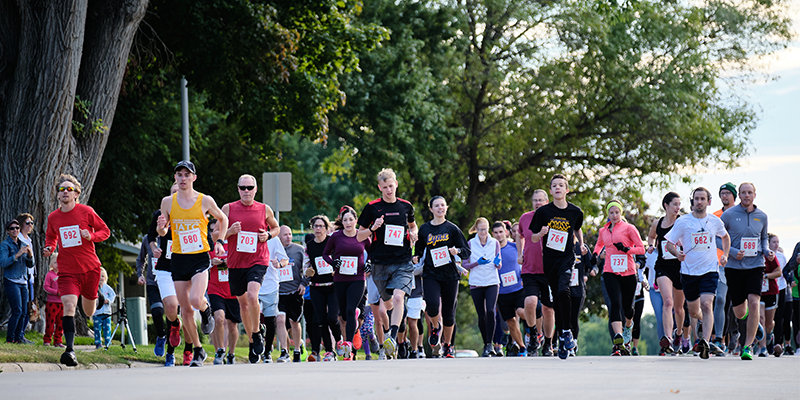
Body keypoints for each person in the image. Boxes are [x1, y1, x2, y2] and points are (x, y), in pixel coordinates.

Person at [156, 161, 228, 367]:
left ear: (194, 178)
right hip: (178, 257)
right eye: (179, 175)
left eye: (187, 175)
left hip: (199, 255)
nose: (183, 178)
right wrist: (162, 228)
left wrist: (220, 242)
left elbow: (223, 219)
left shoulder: (204, 200)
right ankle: (197, 349)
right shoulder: (168, 202)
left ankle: (206, 312)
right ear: (175, 178)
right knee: (185, 309)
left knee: (196, 299)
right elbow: (163, 232)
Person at [43, 174, 110, 366]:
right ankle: (70, 350)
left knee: (89, 311)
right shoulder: (53, 217)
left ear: (76, 194)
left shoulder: (86, 212)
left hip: (90, 269)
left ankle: (94, 294)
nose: (65, 192)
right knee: (69, 306)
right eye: (61, 189)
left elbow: (105, 231)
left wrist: (91, 236)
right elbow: (51, 238)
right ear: (57, 195)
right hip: (67, 271)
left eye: (69, 189)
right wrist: (49, 248)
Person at [356, 168, 418, 358]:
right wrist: (373, 228)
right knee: (389, 305)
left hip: (403, 261)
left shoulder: (406, 206)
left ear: (396, 184)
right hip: (380, 263)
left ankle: (391, 336)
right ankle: (401, 339)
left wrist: (414, 233)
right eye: (385, 188)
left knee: (399, 298)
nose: (389, 190)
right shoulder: (372, 208)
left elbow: (413, 225)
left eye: (391, 186)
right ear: (379, 188)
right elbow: (359, 236)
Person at [666, 187, 731, 359]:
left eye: (703, 199)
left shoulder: (714, 221)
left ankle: (706, 343)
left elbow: (725, 237)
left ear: (709, 202)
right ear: (692, 201)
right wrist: (676, 253)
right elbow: (669, 244)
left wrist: (724, 254)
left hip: (710, 270)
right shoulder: (683, 222)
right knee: (694, 311)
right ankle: (702, 322)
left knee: (707, 303)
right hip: (688, 272)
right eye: (696, 199)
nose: (699, 202)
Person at [222, 174, 279, 363]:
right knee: (244, 305)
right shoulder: (228, 209)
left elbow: (276, 228)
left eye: (250, 187)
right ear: (238, 189)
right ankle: (254, 337)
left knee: (253, 295)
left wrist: (268, 236)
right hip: (236, 262)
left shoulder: (264, 209)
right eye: (243, 187)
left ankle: (256, 334)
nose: (246, 191)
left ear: (256, 189)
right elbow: (216, 234)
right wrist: (230, 232)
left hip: (258, 259)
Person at [529, 174, 587, 359]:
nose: (558, 188)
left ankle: (567, 331)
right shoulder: (543, 212)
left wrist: (582, 244)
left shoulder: (575, 211)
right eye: (554, 186)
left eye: (561, 185)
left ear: (566, 190)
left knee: (564, 291)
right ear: (551, 190)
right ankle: (562, 336)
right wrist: (542, 232)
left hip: (567, 258)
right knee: (556, 300)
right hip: (550, 260)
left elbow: (577, 228)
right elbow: (533, 237)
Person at [413, 196, 470, 359]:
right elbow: (418, 249)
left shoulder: (452, 229)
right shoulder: (424, 229)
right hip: (431, 273)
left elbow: (466, 251)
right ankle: (435, 327)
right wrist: (415, 257)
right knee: (431, 305)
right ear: (431, 209)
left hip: (450, 275)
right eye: (436, 206)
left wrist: (456, 251)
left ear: (446, 208)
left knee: (449, 312)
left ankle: (448, 346)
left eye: (442, 205)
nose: (440, 208)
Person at [719, 182, 771, 360]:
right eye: (743, 193)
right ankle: (754, 321)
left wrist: (766, 251)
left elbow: (763, 239)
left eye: (750, 192)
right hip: (734, 267)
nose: (746, 195)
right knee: (740, 312)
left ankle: (747, 346)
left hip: (756, 265)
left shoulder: (762, 216)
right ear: (739, 195)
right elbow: (718, 240)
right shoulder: (728, 215)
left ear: (755, 195)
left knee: (754, 301)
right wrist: (733, 252)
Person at [593, 200, 645, 356]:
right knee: (615, 303)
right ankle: (618, 337)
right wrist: (595, 255)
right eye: (611, 213)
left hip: (628, 272)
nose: (614, 215)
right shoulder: (604, 230)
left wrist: (627, 249)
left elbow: (641, 248)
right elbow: (598, 244)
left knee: (628, 309)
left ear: (621, 213)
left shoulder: (629, 228)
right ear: (608, 214)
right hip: (610, 271)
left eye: (617, 212)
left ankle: (628, 326)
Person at [323, 206, 371, 361]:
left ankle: (348, 345)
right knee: (343, 315)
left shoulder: (362, 236)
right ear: (341, 222)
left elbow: (373, 251)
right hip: (340, 279)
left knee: (350, 310)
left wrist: (368, 263)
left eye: (351, 219)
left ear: (356, 221)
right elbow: (325, 254)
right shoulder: (336, 237)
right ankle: (354, 321)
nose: (348, 222)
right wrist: (333, 262)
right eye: (345, 220)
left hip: (358, 278)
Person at [148, 183, 188, 366]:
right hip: (165, 267)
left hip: (187, 268)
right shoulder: (161, 214)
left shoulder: (192, 214)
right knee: (170, 307)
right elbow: (151, 236)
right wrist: (155, 248)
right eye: (173, 193)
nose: (176, 196)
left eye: (179, 193)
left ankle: (172, 353)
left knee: (184, 310)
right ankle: (169, 331)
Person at [518, 189, 557, 356]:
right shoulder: (525, 218)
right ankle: (533, 334)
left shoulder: (555, 217)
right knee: (530, 302)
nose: (538, 202)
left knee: (548, 309)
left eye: (541, 200)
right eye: (535, 200)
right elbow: (520, 235)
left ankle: (548, 343)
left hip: (549, 271)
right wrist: (520, 253)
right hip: (530, 269)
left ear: (547, 201)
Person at [647, 192, 685, 354]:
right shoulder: (658, 223)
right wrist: (650, 245)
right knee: (667, 302)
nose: (678, 207)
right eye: (675, 204)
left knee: (679, 308)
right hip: (663, 266)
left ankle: (679, 333)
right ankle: (667, 339)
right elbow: (651, 237)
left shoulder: (683, 222)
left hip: (681, 266)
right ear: (666, 206)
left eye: (679, 204)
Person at [463, 217, 501, 357]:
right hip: (476, 282)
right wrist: (476, 263)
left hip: (492, 281)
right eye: (480, 230)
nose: (483, 232)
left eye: (485, 229)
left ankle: (490, 344)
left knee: (491, 311)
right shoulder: (471, 243)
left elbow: (499, 264)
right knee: (482, 315)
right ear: (476, 230)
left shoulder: (494, 243)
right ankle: (486, 344)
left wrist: (498, 263)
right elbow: (465, 264)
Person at [208, 219, 241, 364]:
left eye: (217, 229)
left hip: (233, 288)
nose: (214, 232)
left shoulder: (235, 241)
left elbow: (244, 261)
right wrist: (211, 262)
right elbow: (200, 264)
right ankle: (219, 350)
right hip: (215, 287)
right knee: (219, 318)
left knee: (233, 325)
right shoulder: (208, 244)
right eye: (212, 230)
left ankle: (231, 353)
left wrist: (231, 262)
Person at [304, 214, 336, 361]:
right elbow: (305, 265)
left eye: (321, 226)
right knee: (320, 320)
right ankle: (329, 351)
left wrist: (337, 268)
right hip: (316, 286)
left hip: (333, 286)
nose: (318, 229)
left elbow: (340, 257)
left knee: (332, 318)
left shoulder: (332, 242)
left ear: (326, 228)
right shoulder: (309, 245)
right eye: (315, 226)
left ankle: (339, 339)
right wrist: (307, 271)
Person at [492, 221, 527, 356]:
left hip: (518, 288)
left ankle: (534, 332)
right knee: (510, 322)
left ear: (506, 232)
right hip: (501, 292)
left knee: (522, 311)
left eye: (501, 232)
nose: (499, 235)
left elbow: (526, 261)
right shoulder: (490, 251)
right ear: (492, 234)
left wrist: (524, 277)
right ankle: (522, 347)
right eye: (495, 233)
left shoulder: (515, 247)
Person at [277, 225, 309, 362]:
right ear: (278, 236)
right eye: (285, 234)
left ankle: (297, 349)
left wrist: (303, 283)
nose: (288, 237)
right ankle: (284, 351)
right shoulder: (273, 249)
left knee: (294, 322)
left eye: (290, 234)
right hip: (278, 292)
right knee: (280, 320)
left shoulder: (299, 250)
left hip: (294, 292)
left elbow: (308, 268)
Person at [2, 219, 33, 344]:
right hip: (11, 280)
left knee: (24, 312)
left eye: (17, 228)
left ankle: (19, 338)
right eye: (12, 228)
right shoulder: (5, 245)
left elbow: (30, 265)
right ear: (7, 231)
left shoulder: (23, 243)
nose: (15, 230)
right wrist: (17, 255)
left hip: (23, 280)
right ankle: (10, 339)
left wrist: (30, 255)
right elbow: (3, 263)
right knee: (17, 310)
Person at [712, 183, 736, 351]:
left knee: (740, 304)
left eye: (728, 193)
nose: (725, 196)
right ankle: (719, 339)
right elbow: (714, 240)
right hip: (721, 264)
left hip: (741, 265)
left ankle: (752, 327)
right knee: (720, 300)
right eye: (722, 193)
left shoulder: (742, 214)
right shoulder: (715, 216)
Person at [135, 235, 166, 357]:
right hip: (153, 282)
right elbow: (141, 259)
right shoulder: (148, 239)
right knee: (157, 311)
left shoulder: (173, 235)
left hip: (171, 282)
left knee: (171, 315)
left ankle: (171, 351)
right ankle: (161, 337)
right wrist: (139, 274)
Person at [258, 234, 288, 363]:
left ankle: (268, 352)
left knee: (270, 321)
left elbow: (285, 259)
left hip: (270, 285)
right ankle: (254, 349)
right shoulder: (248, 236)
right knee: (255, 320)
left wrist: (280, 264)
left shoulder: (274, 240)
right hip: (254, 285)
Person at [756, 233, 781, 357]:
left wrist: (765, 276)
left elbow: (779, 272)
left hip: (771, 291)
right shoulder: (753, 254)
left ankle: (770, 335)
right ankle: (763, 348)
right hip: (758, 292)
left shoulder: (770, 255)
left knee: (769, 323)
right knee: (760, 318)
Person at [16, 212, 36, 342]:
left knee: (30, 307)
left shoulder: (29, 240)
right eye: (27, 223)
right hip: (23, 277)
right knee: (23, 308)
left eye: (31, 223)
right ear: (21, 224)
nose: (30, 226)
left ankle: (22, 334)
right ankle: (18, 335)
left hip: (31, 277)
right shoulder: (19, 240)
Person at [43, 254, 64, 347]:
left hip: (62, 302)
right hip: (52, 303)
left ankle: (58, 340)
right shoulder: (50, 275)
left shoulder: (63, 275)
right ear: (51, 264)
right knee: (50, 322)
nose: (58, 264)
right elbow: (46, 287)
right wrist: (56, 292)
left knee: (60, 323)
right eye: (55, 262)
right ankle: (47, 340)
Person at [93, 268, 116, 349]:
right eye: (98, 276)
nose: (100, 278)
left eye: (102, 276)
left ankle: (107, 342)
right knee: (97, 329)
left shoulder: (107, 288)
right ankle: (98, 343)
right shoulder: (94, 288)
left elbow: (113, 295)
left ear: (105, 278)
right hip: (97, 312)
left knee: (107, 329)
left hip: (106, 312)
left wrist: (108, 301)